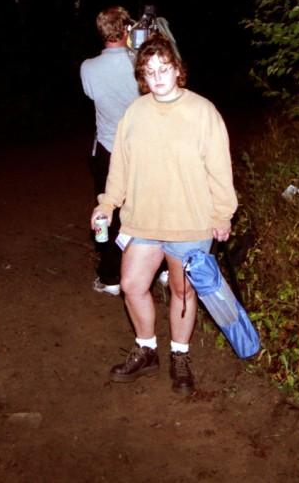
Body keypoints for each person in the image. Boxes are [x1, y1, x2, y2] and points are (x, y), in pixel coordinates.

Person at [90, 36, 237, 395]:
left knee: (181, 291)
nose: (157, 77)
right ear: (142, 75)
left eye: (164, 69)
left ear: (177, 69)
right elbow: (120, 166)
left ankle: (180, 356)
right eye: (149, 71)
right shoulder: (135, 113)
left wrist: (223, 214)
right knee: (132, 286)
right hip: (142, 218)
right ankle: (147, 349)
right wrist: (107, 204)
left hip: (189, 220)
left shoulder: (202, 111)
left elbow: (220, 168)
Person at [80, 6, 140, 296]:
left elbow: (92, 94)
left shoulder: (88, 67)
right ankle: (163, 269)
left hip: (106, 148)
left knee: (106, 210)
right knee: (146, 206)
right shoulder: (142, 61)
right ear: (126, 29)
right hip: (141, 148)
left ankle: (111, 275)